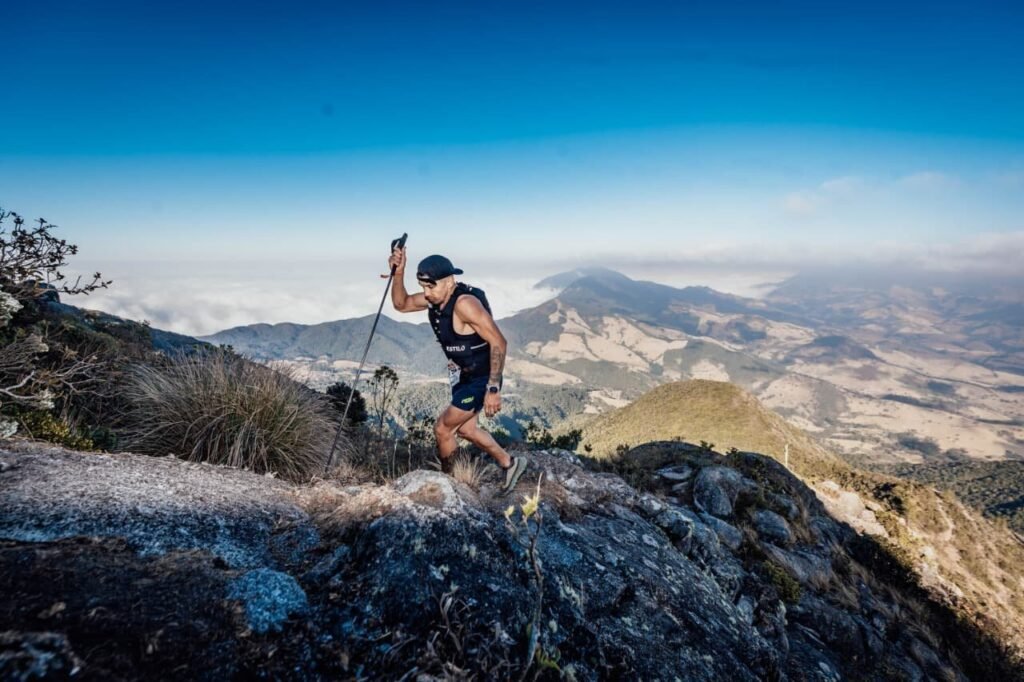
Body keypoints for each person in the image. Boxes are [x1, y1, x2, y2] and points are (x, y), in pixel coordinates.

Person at [387, 245, 527, 494]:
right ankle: (511, 463)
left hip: (482, 377)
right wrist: (399, 272)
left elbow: (499, 341)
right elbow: (402, 303)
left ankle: (449, 486)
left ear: (450, 281)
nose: (426, 293)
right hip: (464, 373)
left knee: (442, 429)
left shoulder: (465, 304)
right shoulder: (435, 299)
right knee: (466, 429)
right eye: (423, 287)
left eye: (431, 286)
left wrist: (493, 388)